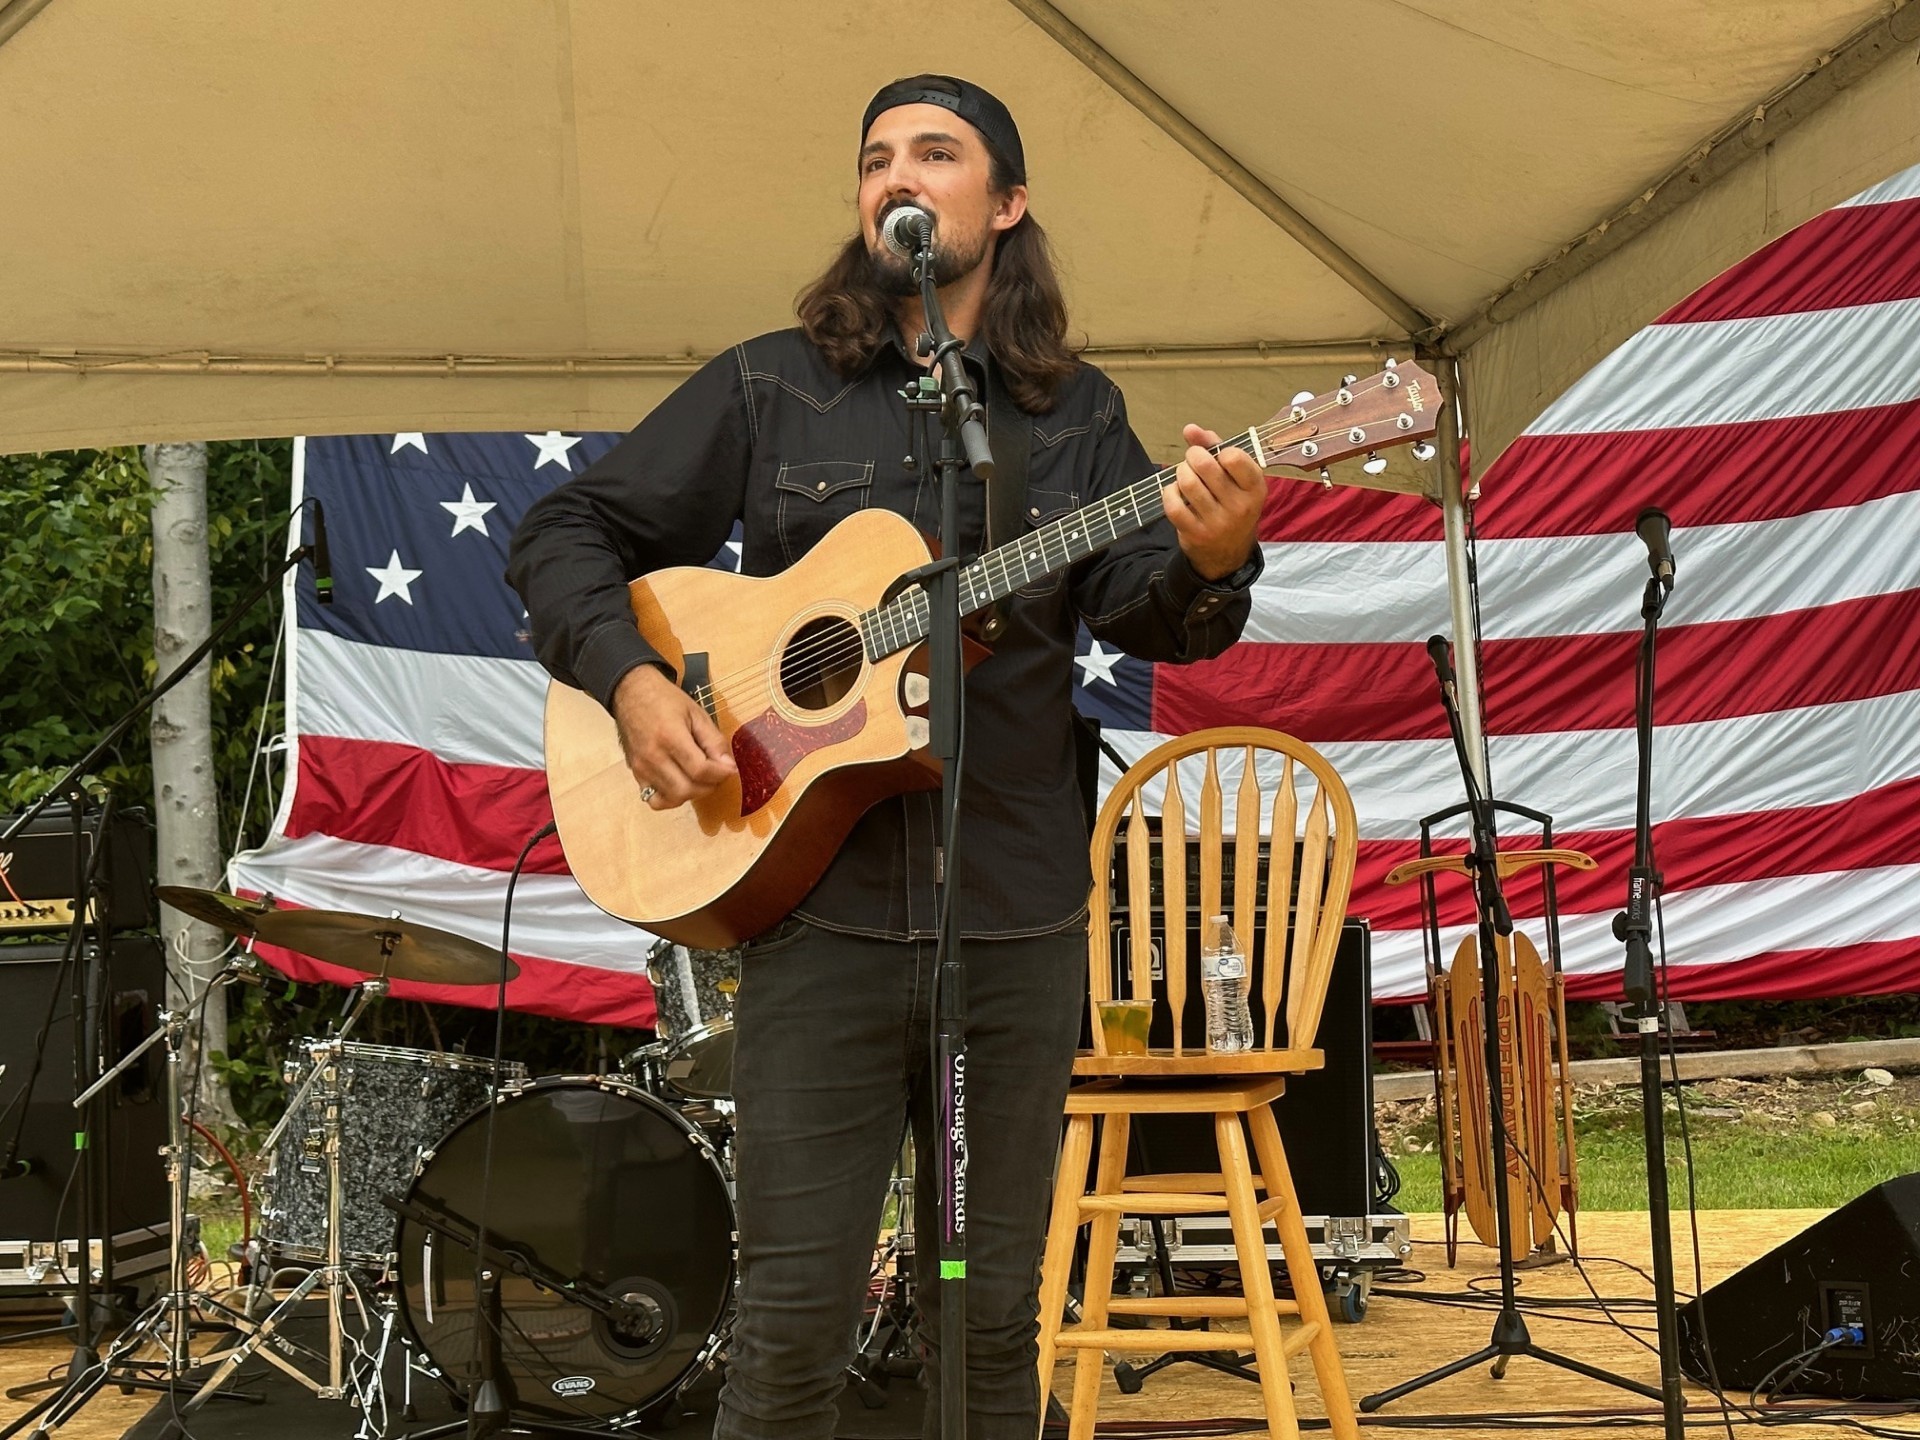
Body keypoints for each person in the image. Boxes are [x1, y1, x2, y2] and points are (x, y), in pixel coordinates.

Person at [508, 73, 1268, 1440]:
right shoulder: (771, 384)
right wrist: (628, 682)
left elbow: (1142, 600)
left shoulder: (1070, 412)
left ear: (1008, 202)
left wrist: (1212, 559)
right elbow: (564, 533)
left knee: (986, 1327)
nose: (894, 175)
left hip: (1016, 919)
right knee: (792, 1327)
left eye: (935, 150)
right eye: (874, 157)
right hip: (818, 922)